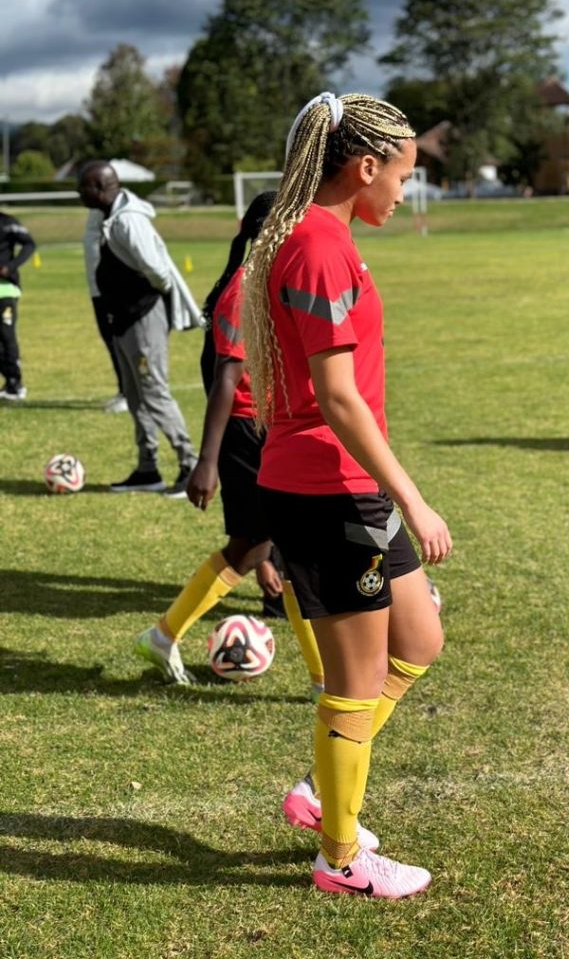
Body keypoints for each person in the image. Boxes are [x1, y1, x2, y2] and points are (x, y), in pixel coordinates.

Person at [242, 92, 452, 898]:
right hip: (331, 492)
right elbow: (337, 397)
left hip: (346, 489)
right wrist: (415, 497)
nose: (405, 190)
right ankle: (340, 859)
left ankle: (321, 790)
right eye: (403, 174)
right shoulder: (319, 247)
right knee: (353, 684)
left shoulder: (323, 237)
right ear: (364, 168)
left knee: (419, 640)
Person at [133, 191, 324, 694]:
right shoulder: (245, 289)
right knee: (266, 549)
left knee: (268, 548)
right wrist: (207, 461)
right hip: (246, 434)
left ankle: (164, 634)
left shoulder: (267, 281)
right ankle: (323, 678)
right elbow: (226, 376)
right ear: (270, 231)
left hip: (268, 429)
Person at [78, 161, 201, 497]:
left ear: (101, 188)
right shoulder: (109, 217)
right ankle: (148, 469)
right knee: (135, 396)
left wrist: (139, 302)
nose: (79, 194)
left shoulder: (128, 222)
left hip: (143, 319)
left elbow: (158, 271)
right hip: (124, 320)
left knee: (154, 392)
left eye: (83, 188)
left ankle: (190, 465)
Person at [84, 201, 128, 413]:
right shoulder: (94, 216)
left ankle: (130, 393)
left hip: (110, 290)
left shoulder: (113, 212)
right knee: (110, 340)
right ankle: (124, 390)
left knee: (118, 341)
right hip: (97, 289)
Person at [0, 210, 36, 401]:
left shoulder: (7, 222)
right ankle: (8, 383)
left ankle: (15, 383)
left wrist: (11, 267)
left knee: (6, 336)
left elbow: (29, 244)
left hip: (4, 290)